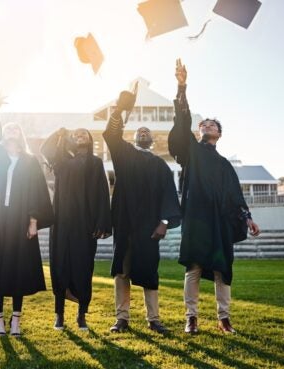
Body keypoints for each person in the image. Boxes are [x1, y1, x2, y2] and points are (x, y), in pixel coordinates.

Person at [169, 59, 261, 334]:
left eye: (212, 124)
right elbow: (182, 120)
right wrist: (182, 86)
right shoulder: (191, 153)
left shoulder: (224, 165)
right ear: (199, 132)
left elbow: (235, 196)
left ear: (218, 134)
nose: (206, 125)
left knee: (222, 270)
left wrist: (248, 219)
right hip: (197, 219)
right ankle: (191, 318)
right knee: (194, 268)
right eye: (203, 124)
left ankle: (224, 318)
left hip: (219, 222)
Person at [0, 95, 54, 337]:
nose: (11, 131)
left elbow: (38, 192)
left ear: (20, 136)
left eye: (15, 129)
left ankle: (16, 320)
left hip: (20, 219)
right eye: (7, 129)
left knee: (19, 269)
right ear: (2, 135)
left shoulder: (30, 162)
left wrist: (33, 220)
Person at [103, 87, 181, 334]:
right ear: (135, 138)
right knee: (121, 272)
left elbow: (169, 195)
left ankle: (154, 319)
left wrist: (165, 222)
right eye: (139, 131)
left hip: (148, 227)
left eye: (147, 131)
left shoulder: (161, 166)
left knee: (149, 272)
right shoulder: (124, 155)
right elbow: (111, 134)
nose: (144, 132)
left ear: (153, 139)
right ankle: (122, 318)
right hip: (125, 224)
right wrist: (119, 109)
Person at [41, 127, 111, 331]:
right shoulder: (61, 162)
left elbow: (102, 193)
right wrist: (58, 134)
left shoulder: (96, 163)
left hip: (85, 224)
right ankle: (59, 315)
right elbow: (46, 149)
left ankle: (82, 315)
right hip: (61, 222)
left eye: (84, 134)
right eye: (76, 134)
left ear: (90, 140)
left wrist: (101, 223)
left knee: (83, 268)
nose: (80, 136)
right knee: (60, 266)